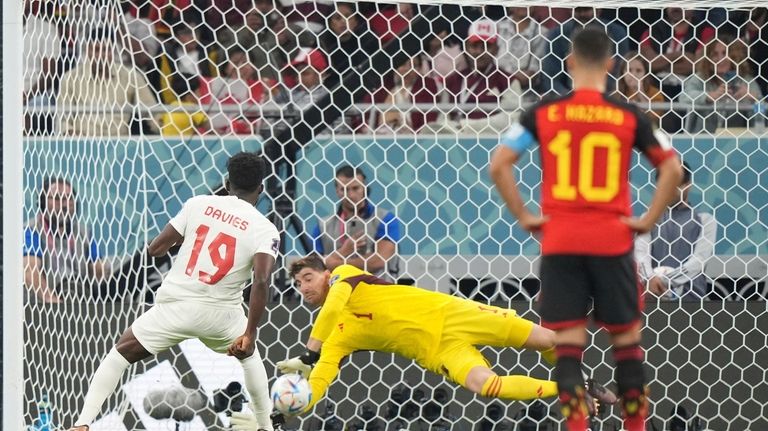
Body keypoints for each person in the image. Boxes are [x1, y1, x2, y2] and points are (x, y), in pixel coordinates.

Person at [489, 28, 682, 431]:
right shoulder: (628, 115)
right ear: (611, 64)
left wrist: (526, 217)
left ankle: (577, 427)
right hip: (612, 242)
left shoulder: (543, 112)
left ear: (570, 61)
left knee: (569, 350)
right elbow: (671, 168)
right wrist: (646, 220)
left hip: (561, 244)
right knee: (627, 346)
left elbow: (500, 163)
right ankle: (635, 427)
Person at [229, 257, 617, 431]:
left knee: (547, 338)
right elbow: (317, 386)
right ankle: (570, 390)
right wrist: (275, 416)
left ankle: (585, 379)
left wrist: (308, 352)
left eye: (309, 278)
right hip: (437, 351)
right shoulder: (333, 338)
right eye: (298, 285)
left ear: (326, 274)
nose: (305, 287)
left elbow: (332, 306)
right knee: (485, 385)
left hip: (453, 313)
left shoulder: (347, 277)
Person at [67, 153, 280, 431]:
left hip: (176, 306)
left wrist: (187, 240)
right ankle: (265, 426)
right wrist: (249, 333)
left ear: (227, 183)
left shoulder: (198, 204)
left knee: (120, 354)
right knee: (250, 358)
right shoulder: (266, 229)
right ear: (261, 189)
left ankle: (82, 424)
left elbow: (156, 248)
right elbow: (262, 280)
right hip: (222, 316)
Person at [635, 163, 717, 300]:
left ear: (688, 185)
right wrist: (649, 278)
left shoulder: (705, 221)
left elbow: (699, 261)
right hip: (654, 302)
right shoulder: (647, 219)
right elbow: (640, 253)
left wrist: (664, 280)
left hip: (692, 302)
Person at [23, 177, 111, 303]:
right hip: (42, 309)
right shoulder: (31, 230)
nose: (64, 204)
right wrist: (52, 300)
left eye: (68, 199)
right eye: (57, 198)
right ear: (42, 202)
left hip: (79, 302)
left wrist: (104, 272)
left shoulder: (84, 232)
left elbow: (98, 269)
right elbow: (30, 271)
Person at [57, 27, 158, 136]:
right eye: (96, 50)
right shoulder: (71, 79)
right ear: (87, 50)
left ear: (113, 51)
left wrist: (165, 131)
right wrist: (74, 135)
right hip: (83, 144)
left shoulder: (130, 76)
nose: (101, 55)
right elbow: (62, 120)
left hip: (120, 145)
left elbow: (153, 113)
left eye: (106, 50)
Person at [310, 165, 401, 279]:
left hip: (377, 290)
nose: (351, 195)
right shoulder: (323, 225)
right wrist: (343, 251)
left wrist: (333, 263)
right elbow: (314, 266)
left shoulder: (385, 218)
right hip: (337, 292)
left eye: (355, 188)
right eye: (344, 189)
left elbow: (378, 261)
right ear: (337, 191)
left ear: (365, 188)